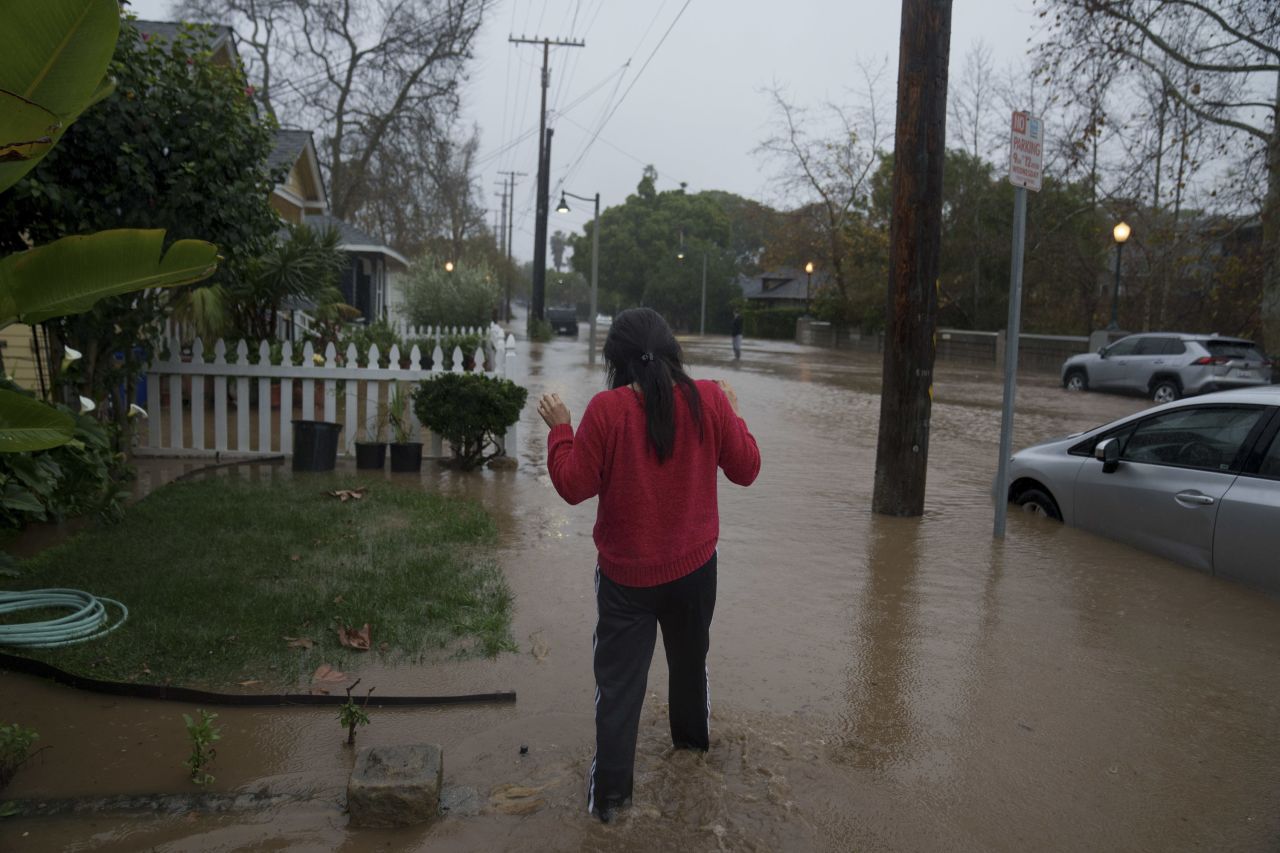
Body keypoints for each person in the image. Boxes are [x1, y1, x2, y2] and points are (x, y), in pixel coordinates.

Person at [537, 307, 760, 823]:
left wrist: (560, 430)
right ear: (673, 351)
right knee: (690, 667)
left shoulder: (606, 410)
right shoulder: (707, 398)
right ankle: (693, 764)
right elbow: (747, 469)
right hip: (696, 571)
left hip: (625, 582)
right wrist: (732, 409)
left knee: (618, 692)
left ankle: (611, 809)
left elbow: (573, 486)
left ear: (614, 362)